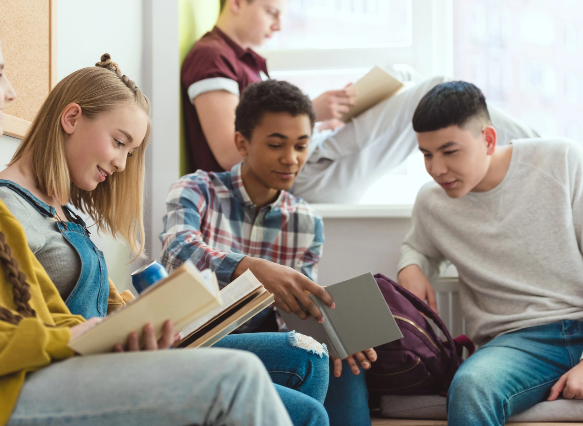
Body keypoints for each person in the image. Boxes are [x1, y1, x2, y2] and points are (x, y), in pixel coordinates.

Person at [0, 6, 297, 426]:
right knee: (240, 377)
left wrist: (112, 330)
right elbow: (31, 328)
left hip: (43, 365)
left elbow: (40, 311)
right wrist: (70, 337)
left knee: (296, 359)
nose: (12, 92)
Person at [162, 79, 378, 425]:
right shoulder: (196, 189)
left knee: (344, 362)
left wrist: (338, 334)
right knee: (304, 354)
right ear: (242, 143)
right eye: (277, 144)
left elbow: (294, 312)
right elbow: (176, 252)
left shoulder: (307, 221)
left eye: (302, 145)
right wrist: (251, 269)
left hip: (267, 343)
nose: (291, 159)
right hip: (195, 341)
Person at [181, 0, 539, 203]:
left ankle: (535, 152)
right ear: (239, 3)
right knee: (438, 86)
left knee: (406, 79)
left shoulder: (243, 62)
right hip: (303, 177)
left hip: (313, 164)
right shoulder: (212, 58)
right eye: (272, 12)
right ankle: (539, 150)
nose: (277, 25)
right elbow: (231, 153)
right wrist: (313, 113)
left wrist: (329, 118)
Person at [397, 81, 583, 425]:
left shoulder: (561, 160)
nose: (436, 168)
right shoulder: (433, 201)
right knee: (469, 387)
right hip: (516, 344)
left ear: (488, 140)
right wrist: (411, 265)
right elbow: (417, 246)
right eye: (426, 154)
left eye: (449, 151)